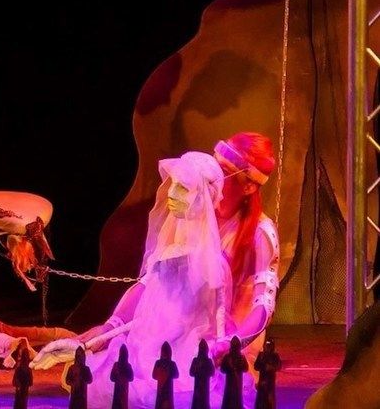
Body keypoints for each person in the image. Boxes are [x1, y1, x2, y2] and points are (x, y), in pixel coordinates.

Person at [31, 132, 280, 408]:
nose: (213, 174)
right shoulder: (187, 221)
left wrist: (231, 342)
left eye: (224, 170)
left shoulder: (260, 233)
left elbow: (263, 304)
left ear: (248, 186)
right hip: (178, 330)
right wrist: (111, 326)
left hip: (227, 339)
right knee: (120, 370)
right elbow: (149, 283)